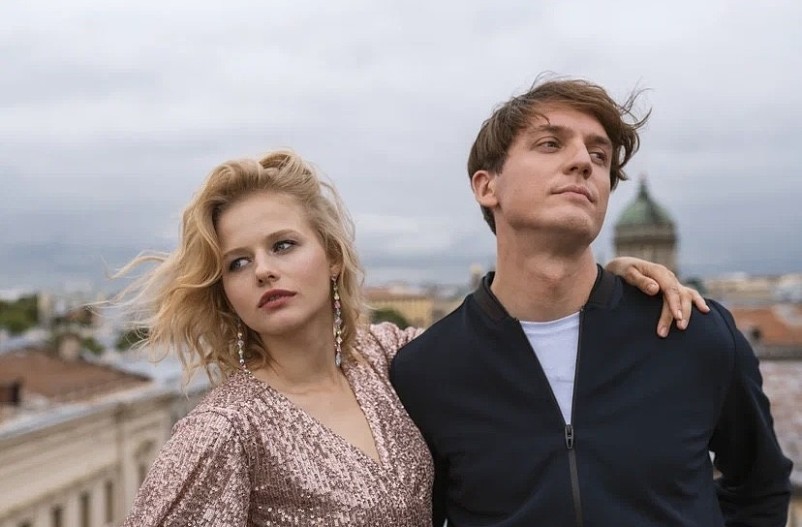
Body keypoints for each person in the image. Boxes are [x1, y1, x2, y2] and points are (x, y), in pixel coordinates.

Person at [117, 149, 705, 526]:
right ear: (225, 290)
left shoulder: (390, 358)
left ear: (331, 257)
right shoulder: (223, 431)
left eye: (284, 245)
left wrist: (611, 282)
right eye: (238, 263)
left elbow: (506, 328)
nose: (264, 270)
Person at [390, 77, 793, 527]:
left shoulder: (694, 332)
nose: (583, 161)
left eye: (600, 155)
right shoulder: (426, 371)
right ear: (487, 187)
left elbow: (761, 487)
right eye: (550, 144)